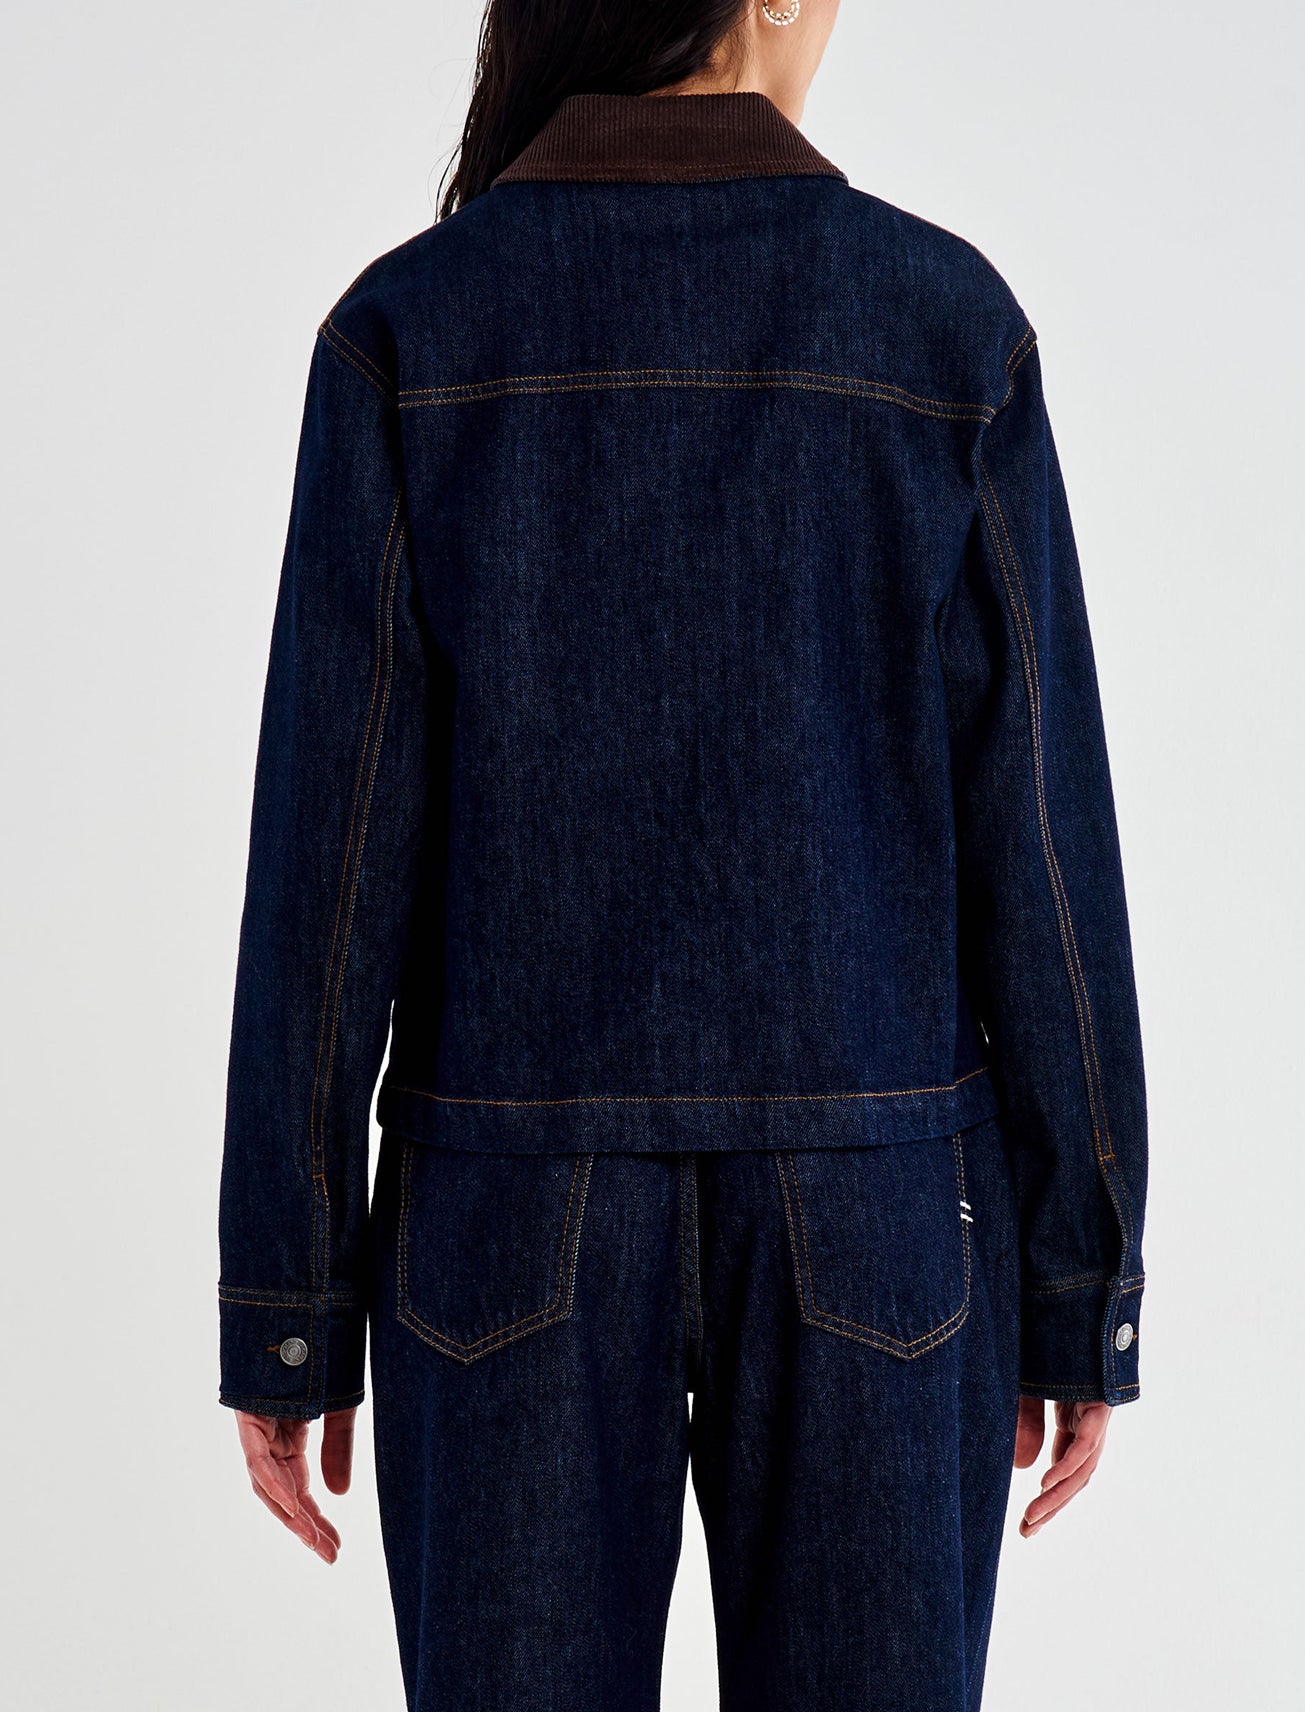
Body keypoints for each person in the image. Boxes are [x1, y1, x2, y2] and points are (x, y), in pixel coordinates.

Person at [216, 2, 1149, 1707]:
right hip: (878, 1210)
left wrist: (289, 1294)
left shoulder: (414, 328)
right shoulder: (940, 326)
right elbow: (1038, 837)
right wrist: (1078, 1270)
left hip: (504, 1216)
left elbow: (331, 865)